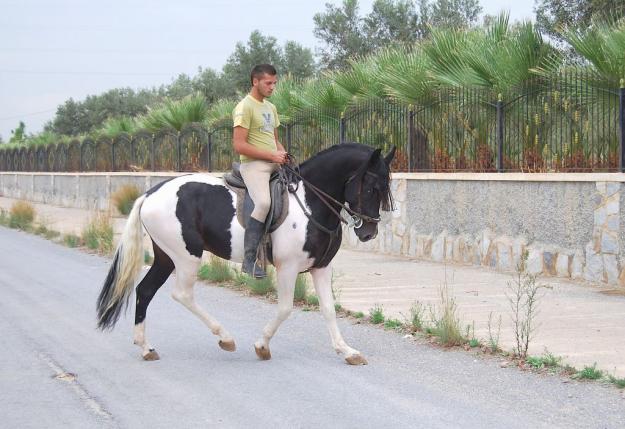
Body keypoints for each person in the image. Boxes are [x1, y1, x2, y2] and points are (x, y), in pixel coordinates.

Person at [232, 64, 288, 278]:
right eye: (268, 83)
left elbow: (273, 140)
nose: (273, 87)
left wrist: (283, 154)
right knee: (263, 203)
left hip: (274, 162)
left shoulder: (270, 108)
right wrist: (272, 156)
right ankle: (249, 260)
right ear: (255, 82)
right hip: (254, 165)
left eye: (274, 83)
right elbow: (239, 145)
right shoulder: (244, 107)